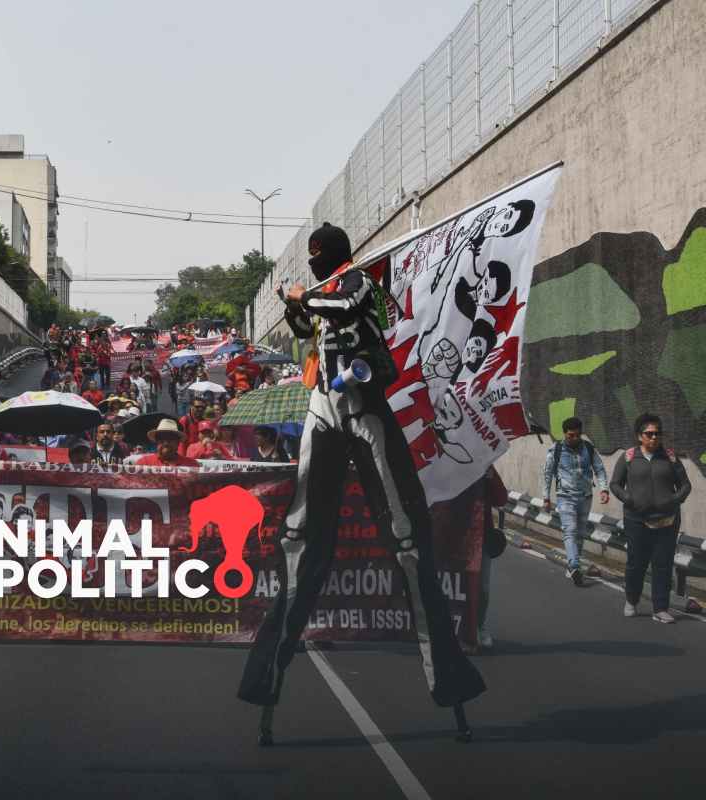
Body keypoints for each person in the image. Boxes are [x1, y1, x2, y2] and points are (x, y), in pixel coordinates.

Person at [240, 222, 483, 745]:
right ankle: (267, 682)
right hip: (324, 406)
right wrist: (294, 305)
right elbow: (305, 327)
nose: (314, 267)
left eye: (318, 259)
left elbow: (344, 306)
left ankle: (449, 680)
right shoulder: (328, 288)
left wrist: (308, 295)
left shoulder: (358, 283)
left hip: (366, 407)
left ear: (333, 257)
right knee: (300, 536)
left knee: (406, 536)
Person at [609, 414, 692, 623]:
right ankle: (631, 599)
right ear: (640, 436)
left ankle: (660, 608)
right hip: (636, 520)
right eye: (649, 434)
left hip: (667, 520)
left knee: (663, 565)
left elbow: (685, 485)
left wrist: (674, 500)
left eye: (657, 433)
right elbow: (615, 484)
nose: (654, 437)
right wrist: (629, 498)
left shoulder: (670, 457)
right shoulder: (628, 458)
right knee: (636, 563)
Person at [541, 416, 610, 585]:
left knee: (580, 533)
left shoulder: (588, 448)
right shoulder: (556, 450)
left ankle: (573, 565)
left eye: (577, 435)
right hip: (565, 497)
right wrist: (546, 498)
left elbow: (599, 469)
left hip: (585, 497)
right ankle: (574, 565)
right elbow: (547, 474)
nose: (574, 438)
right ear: (564, 434)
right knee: (570, 530)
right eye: (571, 435)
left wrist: (604, 489)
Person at [473, 466, 509, 652]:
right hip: (451, 537)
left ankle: (479, 626)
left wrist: (491, 476)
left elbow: (501, 498)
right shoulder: (445, 464)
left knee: (482, 589)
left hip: (481, 536)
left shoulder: (485, 466)